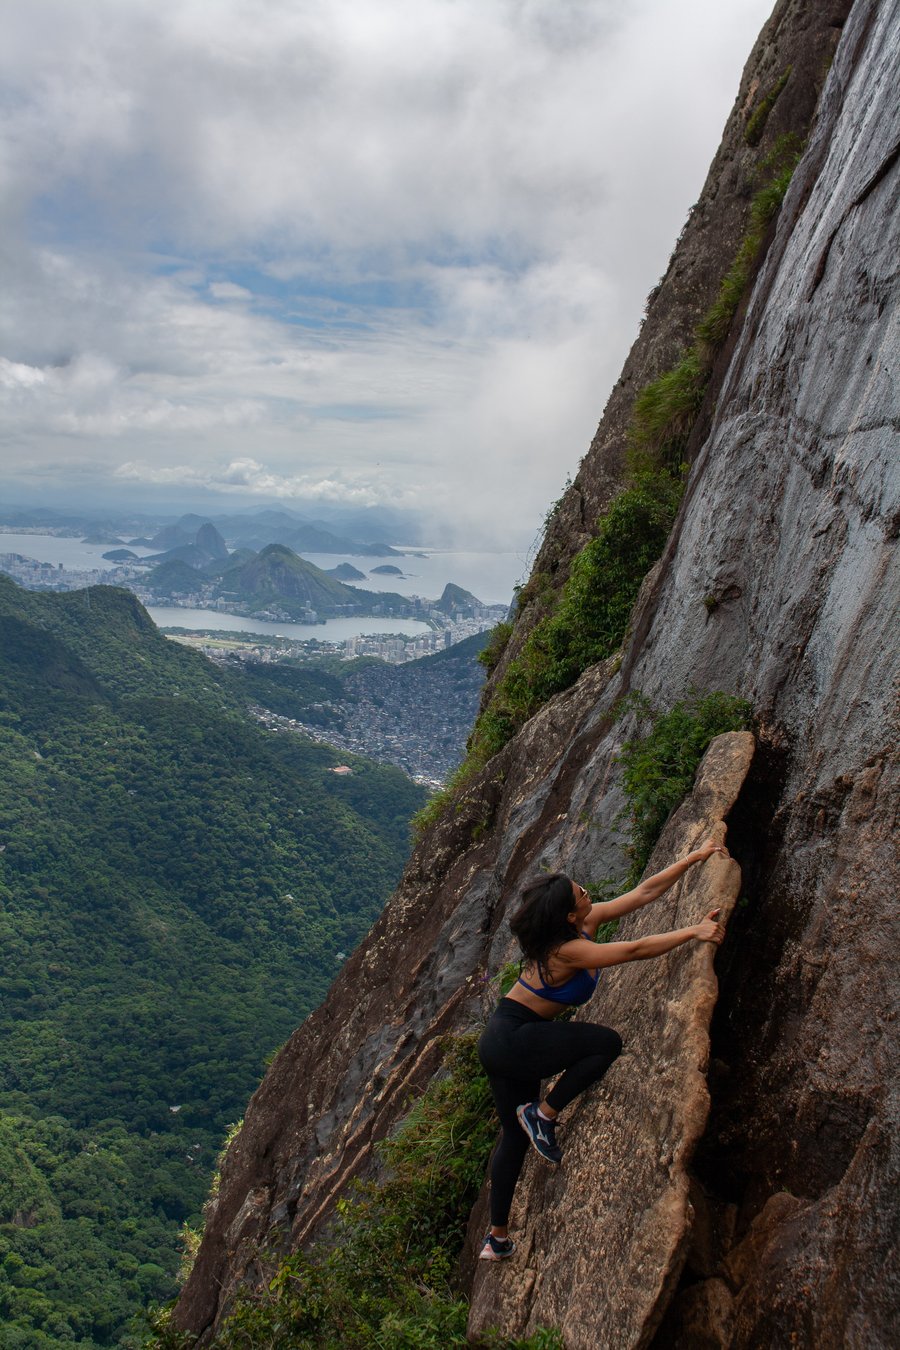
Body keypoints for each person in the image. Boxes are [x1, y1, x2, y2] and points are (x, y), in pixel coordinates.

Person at [476, 840, 728, 1261]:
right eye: (581, 895)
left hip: (507, 1039)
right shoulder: (567, 949)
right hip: (514, 1037)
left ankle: (496, 1239)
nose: (588, 894)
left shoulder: (580, 925)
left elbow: (642, 893)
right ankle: (543, 1114)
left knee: (513, 1141)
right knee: (605, 1044)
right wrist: (693, 931)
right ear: (569, 915)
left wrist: (692, 858)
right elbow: (632, 950)